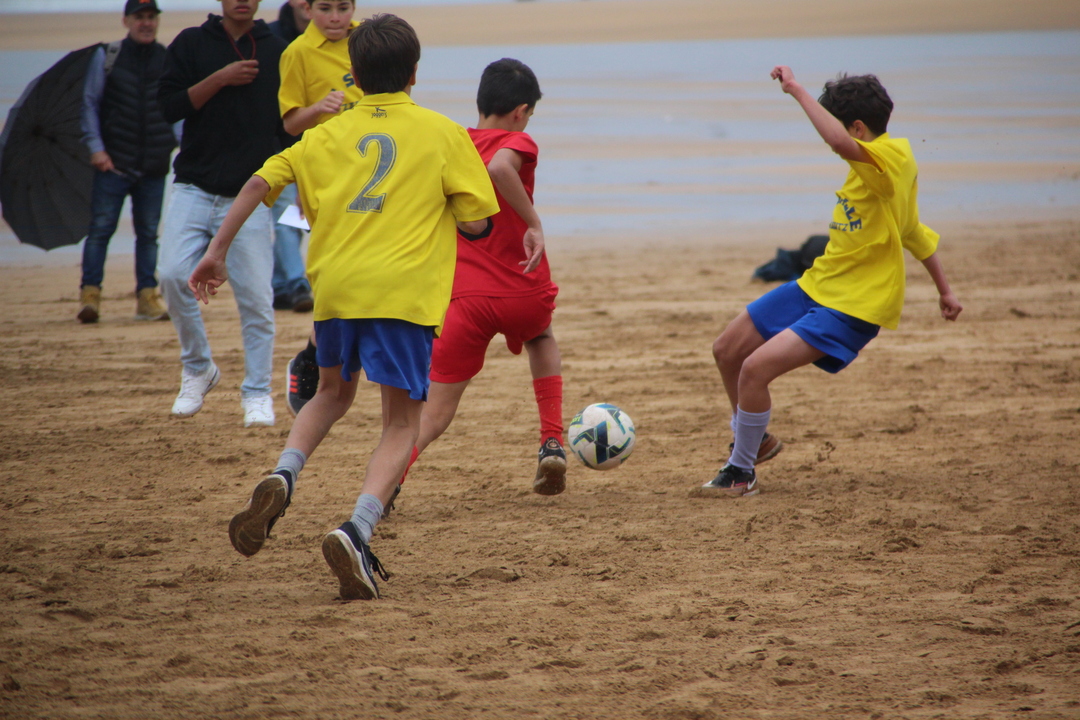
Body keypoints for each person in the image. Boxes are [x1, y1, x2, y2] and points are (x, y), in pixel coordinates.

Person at [189, 14, 499, 600]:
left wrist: (216, 251)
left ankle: (285, 472)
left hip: (335, 289)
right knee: (402, 422)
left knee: (331, 393)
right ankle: (357, 529)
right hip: (403, 294)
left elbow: (258, 183)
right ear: (413, 73)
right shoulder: (443, 133)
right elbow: (478, 221)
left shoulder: (324, 135)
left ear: (353, 73)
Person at [698, 67, 963, 498]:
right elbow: (912, 230)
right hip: (818, 284)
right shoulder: (871, 169)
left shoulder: (891, 158)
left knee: (754, 370)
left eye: (838, 125)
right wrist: (945, 290)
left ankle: (741, 472)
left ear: (857, 128)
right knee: (727, 350)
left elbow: (839, 143)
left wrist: (796, 90)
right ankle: (755, 440)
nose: (835, 139)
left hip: (855, 305)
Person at [402, 58, 566, 501]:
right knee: (541, 338)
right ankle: (552, 440)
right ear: (521, 111)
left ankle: (391, 482)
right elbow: (499, 167)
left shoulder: (452, 143)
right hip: (522, 288)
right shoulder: (518, 140)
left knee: (434, 414)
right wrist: (533, 223)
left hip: (465, 298)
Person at [155, 0, 288, 427]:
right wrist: (219, 78)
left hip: (250, 195)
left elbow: (286, 126)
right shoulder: (191, 42)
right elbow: (168, 106)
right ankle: (199, 368)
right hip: (193, 185)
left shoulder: (277, 49)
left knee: (257, 300)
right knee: (171, 275)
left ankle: (257, 393)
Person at [76, 0, 177, 324]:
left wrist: (179, 145)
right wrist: (96, 148)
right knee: (100, 230)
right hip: (113, 164)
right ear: (126, 21)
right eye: (139, 17)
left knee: (148, 234)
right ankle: (90, 297)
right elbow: (89, 104)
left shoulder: (167, 58)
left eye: (151, 17)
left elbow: (177, 109)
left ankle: (147, 298)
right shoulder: (108, 56)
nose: (146, 23)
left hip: (153, 166)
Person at [267, 0, 313, 314]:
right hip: (276, 143)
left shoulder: (329, 44)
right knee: (287, 218)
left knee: (298, 221)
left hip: (314, 147)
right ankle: (297, 282)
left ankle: (278, 284)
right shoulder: (271, 39)